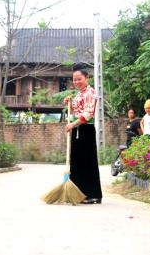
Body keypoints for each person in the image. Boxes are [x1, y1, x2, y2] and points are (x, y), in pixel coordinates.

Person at [63, 63, 102, 204]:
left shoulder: (90, 93)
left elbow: (88, 114)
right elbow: (75, 113)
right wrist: (70, 103)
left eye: (79, 79)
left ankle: (93, 194)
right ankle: (78, 194)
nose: (76, 82)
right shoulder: (79, 94)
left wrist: (73, 124)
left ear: (86, 78)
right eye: (74, 79)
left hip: (86, 130)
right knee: (77, 162)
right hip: (77, 130)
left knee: (87, 162)